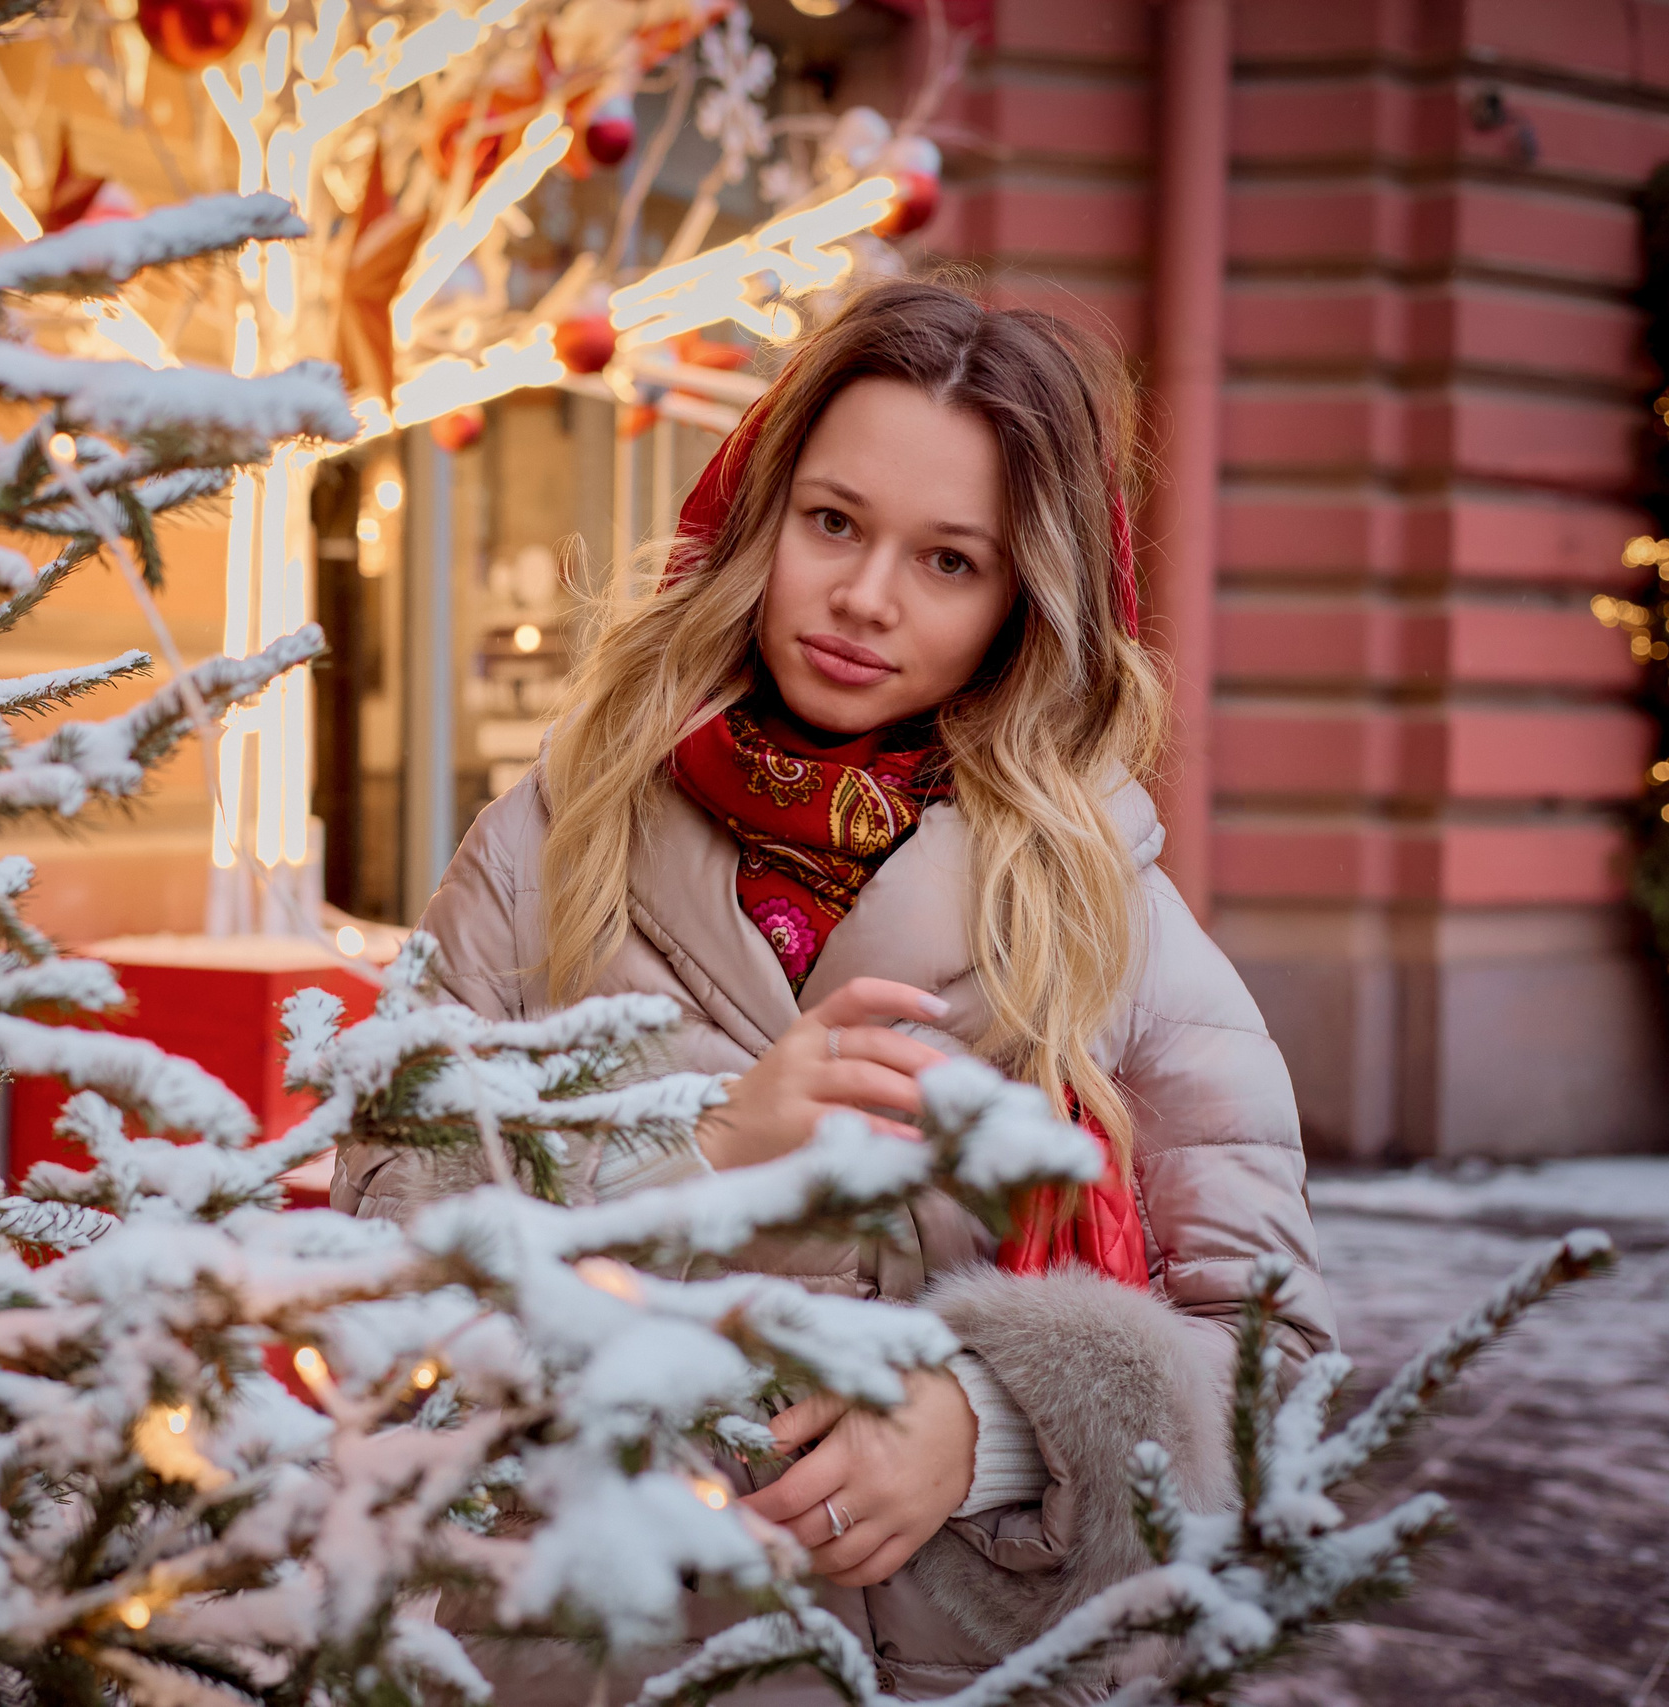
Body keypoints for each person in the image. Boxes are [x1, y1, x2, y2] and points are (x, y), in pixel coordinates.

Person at [331, 278, 1337, 1701]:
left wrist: (986, 1425)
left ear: (1020, 604)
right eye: (835, 524)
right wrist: (700, 1156)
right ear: (759, 519)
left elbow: (1275, 1366)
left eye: (948, 561)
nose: (867, 598)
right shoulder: (551, 845)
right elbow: (378, 1241)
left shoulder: (1101, 908)